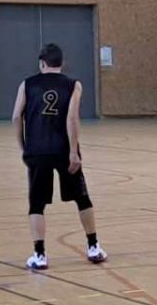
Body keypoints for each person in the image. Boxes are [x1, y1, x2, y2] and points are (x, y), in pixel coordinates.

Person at [13, 43, 106, 270]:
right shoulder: (73, 85)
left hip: (37, 151)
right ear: (62, 63)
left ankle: (39, 255)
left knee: (37, 204)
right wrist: (73, 151)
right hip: (64, 150)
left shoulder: (27, 84)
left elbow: (16, 117)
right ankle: (93, 247)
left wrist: (24, 147)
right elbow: (72, 118)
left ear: (41, 63)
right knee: (82, 198)